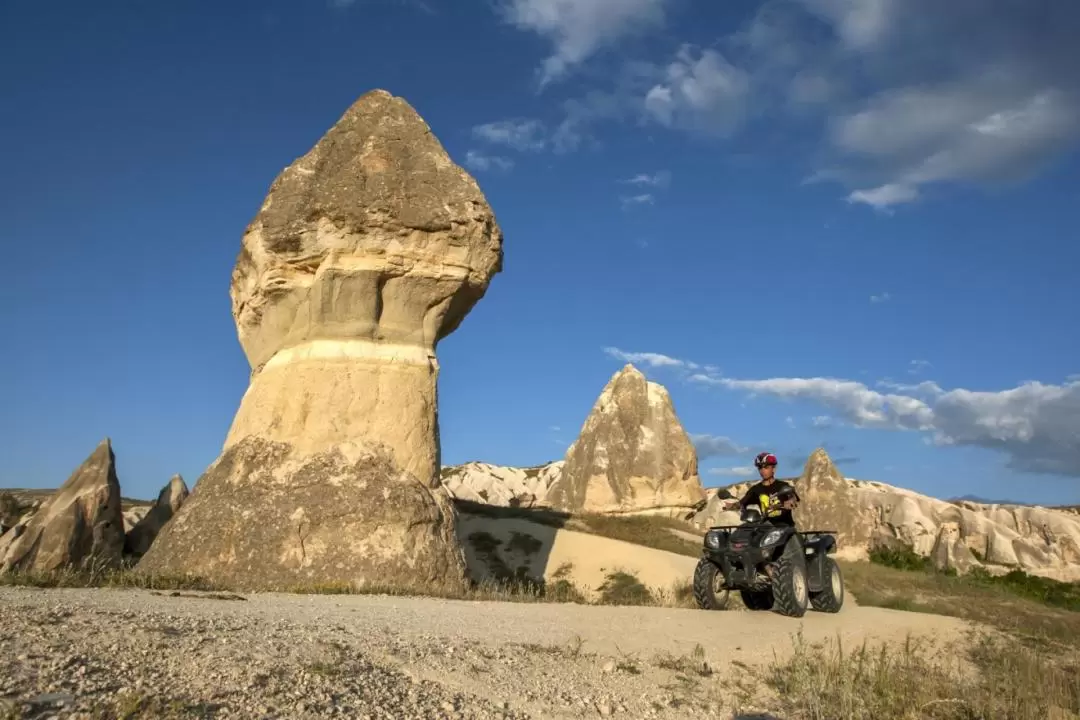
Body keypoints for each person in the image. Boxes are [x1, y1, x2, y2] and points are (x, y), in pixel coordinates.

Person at [726, 452, 800, 526]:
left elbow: (794, 499)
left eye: (766, 467)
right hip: (766, 527)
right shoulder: (755, 489)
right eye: (760, 468)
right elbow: (742, 502)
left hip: (785, 526)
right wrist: (731, 506)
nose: (762, 471)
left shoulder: (783, 486)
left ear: (773, 468)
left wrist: (790, 501)